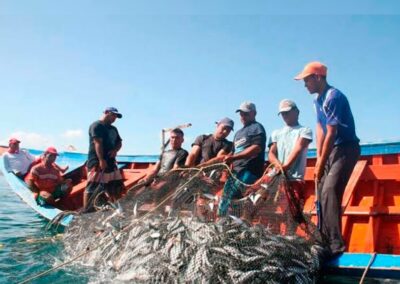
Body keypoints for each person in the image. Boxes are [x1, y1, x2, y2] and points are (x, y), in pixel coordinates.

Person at [295, 61, 360, 257]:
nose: (305, 85)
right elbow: (320, 130)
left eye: (307, 80)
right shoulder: (317, 101)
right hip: (331, 149)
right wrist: (318, 160)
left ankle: (335, 245)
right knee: (321, 190)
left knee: (330, 190)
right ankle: (323, 240)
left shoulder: (334, 97)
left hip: (346, 148)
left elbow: (332, 132)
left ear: (318, 77)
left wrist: (322, 162)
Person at [218, 101, 267, 216]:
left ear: (254, 113)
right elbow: (233, 152)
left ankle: (239, 226)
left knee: (239, 201)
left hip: (249, 171)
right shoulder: (238, 133)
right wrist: (228, 158)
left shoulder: (257, 127)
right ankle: (222, 223)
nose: (243, 117)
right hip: (235, 173)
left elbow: (256, 148)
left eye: (246, 114)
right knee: (225, 200)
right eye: (241, 114)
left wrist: (234, 157)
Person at [268, 99, 312, 222]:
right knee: (276, 212)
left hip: (295, 179)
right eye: (282, 113)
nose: (284, 115)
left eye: (287, 112)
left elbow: (298, 148)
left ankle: (291, 236)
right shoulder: (276, 133)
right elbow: (271, 153)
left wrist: (285, 166)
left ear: (297, 112)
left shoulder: (305, 130)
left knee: (292, 214)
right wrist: (277, 165)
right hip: (277, 179)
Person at [83, 107, 125, 209]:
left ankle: (116, 208)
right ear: (106, 113)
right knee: (92, 186)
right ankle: (86, 210)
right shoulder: (96, 126)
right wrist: (101, 160)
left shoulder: (113, 129)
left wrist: (115, 150)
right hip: (97, 162)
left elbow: (119, 142)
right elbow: (98, 143)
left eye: (116, 116)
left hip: (111, 162)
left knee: (117, 187)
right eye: (113, 115)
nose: (115, 118)